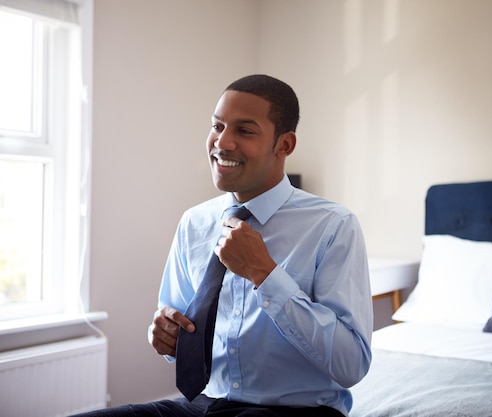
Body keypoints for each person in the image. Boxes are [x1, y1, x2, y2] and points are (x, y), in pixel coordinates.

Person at [72, 74, 373, 417]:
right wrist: (164, 335)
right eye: (217, 126)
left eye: (244, 131)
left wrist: (265, 273)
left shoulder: (333, 226)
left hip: (295, 411)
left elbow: (352, 365)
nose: (222, 142)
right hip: (203, 406)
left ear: (284, 145)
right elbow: (175, 327)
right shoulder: (194, 223)